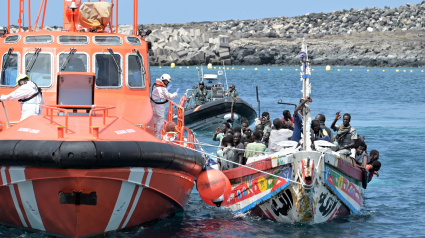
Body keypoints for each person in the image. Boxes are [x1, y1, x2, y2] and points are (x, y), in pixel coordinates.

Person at [150, 74, 178, 139]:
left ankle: (155, 134)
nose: (166, 83)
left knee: (155, 121)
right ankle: (157, 137)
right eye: (166, 82)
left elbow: (161, 95)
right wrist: (175, 94)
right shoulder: (162, 87)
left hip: (154, 106)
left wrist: (166, 90)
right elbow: (169, 96)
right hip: (159, 107)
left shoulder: (156, 85)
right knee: (160, 122)